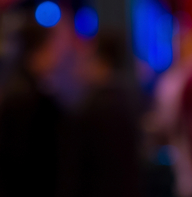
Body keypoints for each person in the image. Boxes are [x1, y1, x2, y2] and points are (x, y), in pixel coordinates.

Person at [59, 32, 142, 197]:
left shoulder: (91, 109)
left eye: (86, 58)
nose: (80, 65)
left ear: (102, 63)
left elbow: (77, 171)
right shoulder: (129, 100)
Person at [0, 24, 64, 197]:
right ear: (35, 53)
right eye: (50, 49)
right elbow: (26, 158)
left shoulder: (20, 88)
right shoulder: (27, 96)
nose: (55, 57)